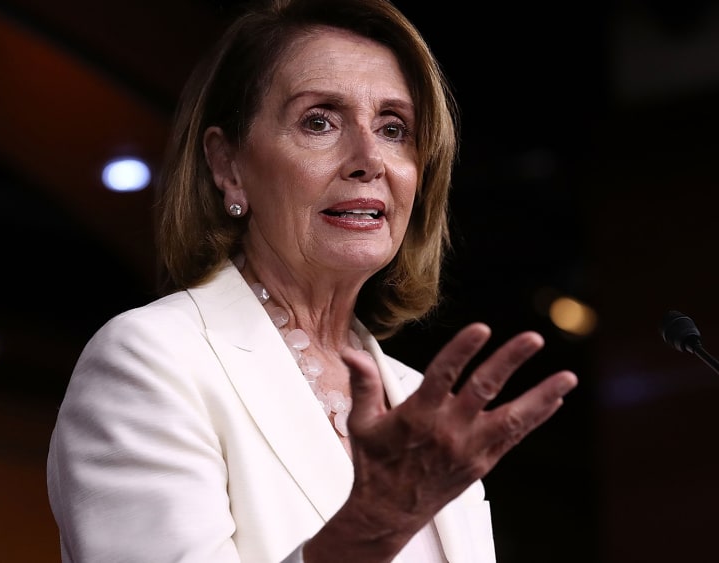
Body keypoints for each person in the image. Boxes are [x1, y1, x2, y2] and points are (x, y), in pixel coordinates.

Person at [46, 0, 579, 560]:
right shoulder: (150, 359)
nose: (368, 158)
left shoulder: (423, 407)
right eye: (319, 121)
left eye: (394, 128)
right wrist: (371, 526)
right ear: (228, 166)